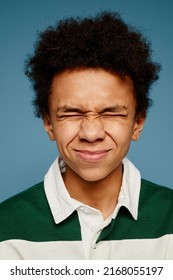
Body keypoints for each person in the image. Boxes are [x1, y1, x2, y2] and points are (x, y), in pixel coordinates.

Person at [0, 11, 172, 260]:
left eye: (111, 113)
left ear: (138, 122)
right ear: (48, 123)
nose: (91, 133)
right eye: (71, 114)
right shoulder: (5, 229)